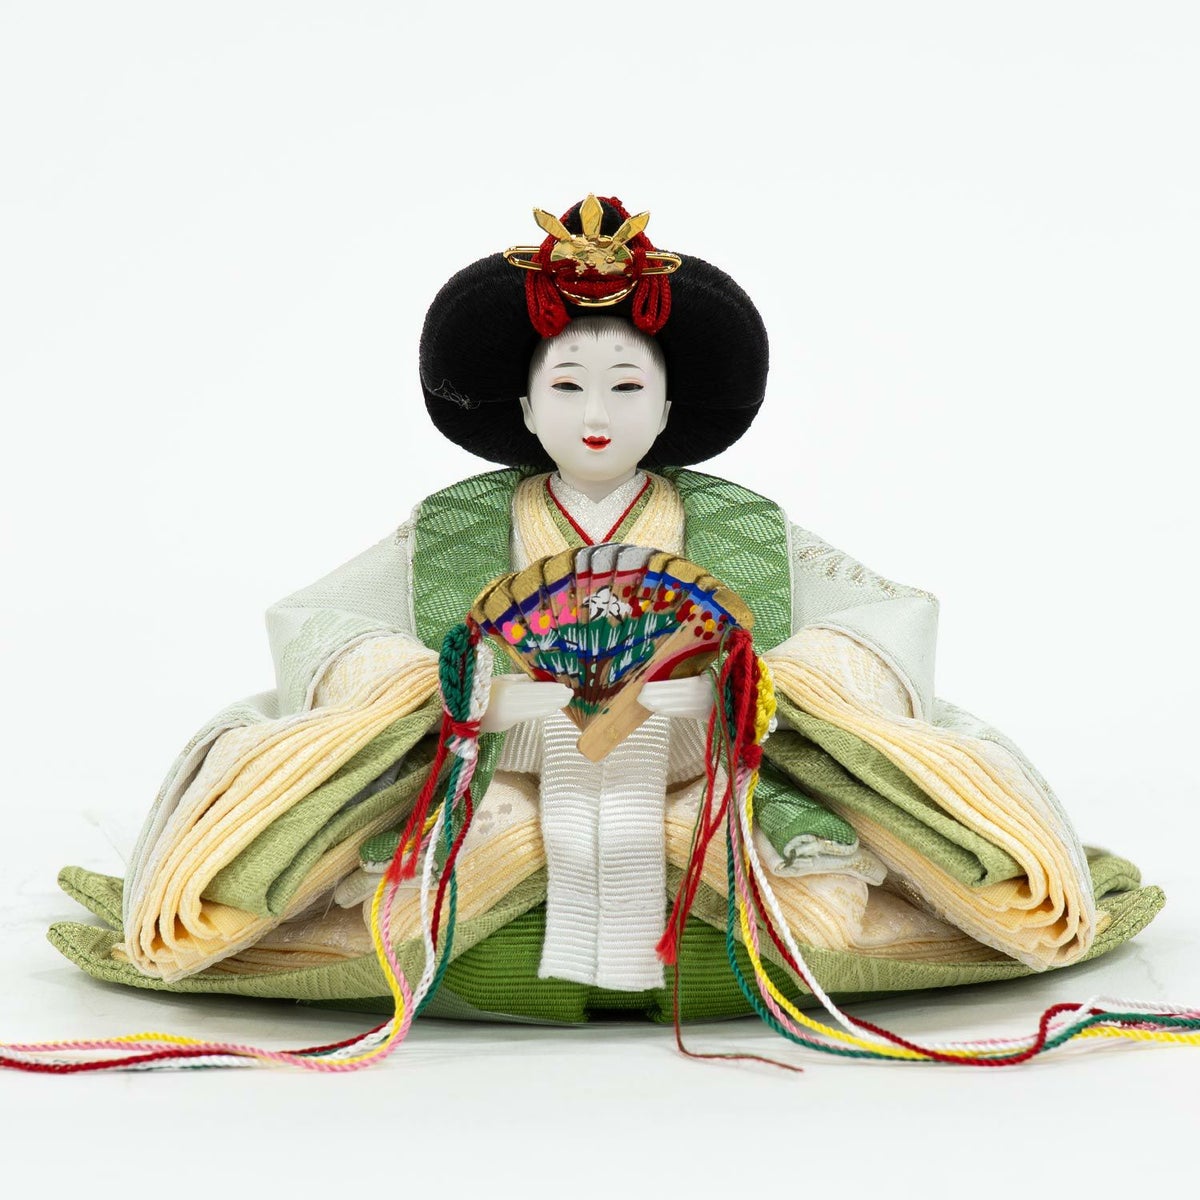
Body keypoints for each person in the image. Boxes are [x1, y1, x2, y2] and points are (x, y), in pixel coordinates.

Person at [49, 194, 1163, 1028]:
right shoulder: (453, 525)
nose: (597, 412)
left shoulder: (738, 523)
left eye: (628, 387)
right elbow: (326, 619)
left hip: (707, 752)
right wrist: (428, 684)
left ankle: (725, 922)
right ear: (523, 405)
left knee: (796, 855)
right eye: (568, 386)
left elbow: (882, 616)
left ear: (671, 406)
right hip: (495, 753)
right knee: (456, 833)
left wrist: (785, 680)